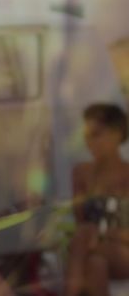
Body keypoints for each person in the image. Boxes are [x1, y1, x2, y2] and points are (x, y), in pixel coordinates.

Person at [67, 103, 129, 296]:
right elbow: (80, 220)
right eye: (86, 136)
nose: (89, 143)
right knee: (96, 263)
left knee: (83, 238)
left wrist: (102, 234)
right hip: (91, 247)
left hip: (123, 250)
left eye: (96, 135)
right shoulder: (81, 173)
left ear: (117, 134)